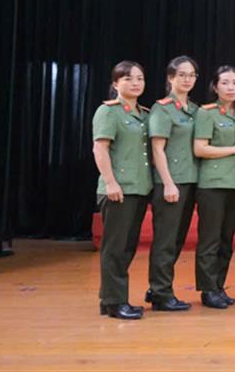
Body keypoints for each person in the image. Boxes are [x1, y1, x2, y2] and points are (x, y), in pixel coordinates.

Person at [92, 61, 151, 319]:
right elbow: (100, 148)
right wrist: (111, 182)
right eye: (128, 79)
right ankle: (115, 302)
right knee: (115, 248)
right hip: (117, 189)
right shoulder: (109, 112)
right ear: (116, 84)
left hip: (138, 188)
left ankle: (110, 299)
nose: (135, 83)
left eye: (139, 78)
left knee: (126, 246)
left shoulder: (144, 114)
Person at [193, 66, 235, 309]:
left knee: (226, 239)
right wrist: (234, 149)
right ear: (215, 87)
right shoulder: (206, 113)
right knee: (210, 239)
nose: (231, 88)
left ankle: (219, 286)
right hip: (213, 184)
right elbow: (200, 149)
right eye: (225, 83)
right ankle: (207, 290)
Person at [146, 55, 200, 312]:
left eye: (191, 75)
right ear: (170, 78)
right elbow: (158, 149)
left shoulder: (195, 109)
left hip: (190, 181)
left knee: (177, 239)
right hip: (170, 183)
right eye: (182, 75)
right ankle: (161, 292)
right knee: (165, 240)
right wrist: (167, 183)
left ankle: (158, 287)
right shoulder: (162, 108)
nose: (187, 79)